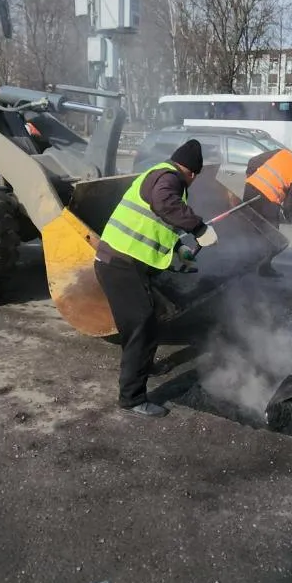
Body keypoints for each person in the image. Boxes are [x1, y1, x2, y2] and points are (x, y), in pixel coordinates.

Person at [94, 140, 218, 419]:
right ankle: (132, 398)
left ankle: (143, 366)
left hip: (124, 264)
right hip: (119, 264)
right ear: (192, 173)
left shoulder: (160, 174)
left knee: (143, 324)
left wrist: (179, 248)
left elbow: (157, 221)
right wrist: (199, 228)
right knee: (142, 326)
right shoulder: (168, 178)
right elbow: (164, 204)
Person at [243, 148, 292, 277]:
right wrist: (291, 218)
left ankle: (245, 261)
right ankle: (263, 268)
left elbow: (253, 161)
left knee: (250, 228)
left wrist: (252, 178)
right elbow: (289, 205)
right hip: (268, 202)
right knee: (275, 239)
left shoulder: (282, 153)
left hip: (250, 190)